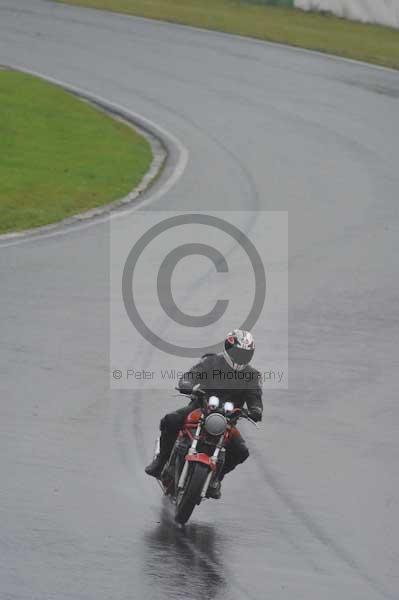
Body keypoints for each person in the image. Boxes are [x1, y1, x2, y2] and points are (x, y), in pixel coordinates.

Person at [145, 329, 263, 499]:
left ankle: (216, 479)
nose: (240, 356)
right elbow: (191, 376)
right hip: (199, 408)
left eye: (245, 353)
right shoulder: (212, 362)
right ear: (229, 348)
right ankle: (160, 462)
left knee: (241, 451)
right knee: (171, 420)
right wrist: (187, 384)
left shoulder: (252, 376)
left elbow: (255, 397)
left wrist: (255, 410)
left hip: (228, 420)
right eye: (238, 352)